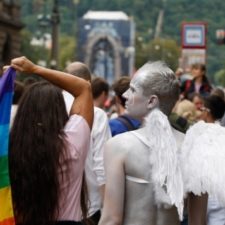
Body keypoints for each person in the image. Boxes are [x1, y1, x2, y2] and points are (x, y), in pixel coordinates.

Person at [7, 56, 93, 225]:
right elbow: (84, 88)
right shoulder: (72, 142)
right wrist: (34, 68)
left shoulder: (11, 149)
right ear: (59, 110)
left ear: (24, 113)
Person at [99, 61, 184, 225]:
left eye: (132, 90)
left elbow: (111, 219)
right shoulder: (193, 147)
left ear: (151, 101)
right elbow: (199, 221)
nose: (125, 95)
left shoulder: (119, 146)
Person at [64, 62, 112, 225]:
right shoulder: (96, 114)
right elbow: (102, 162)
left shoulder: (48, 107)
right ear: (88, 84)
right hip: (87, 206)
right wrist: (108, 210)